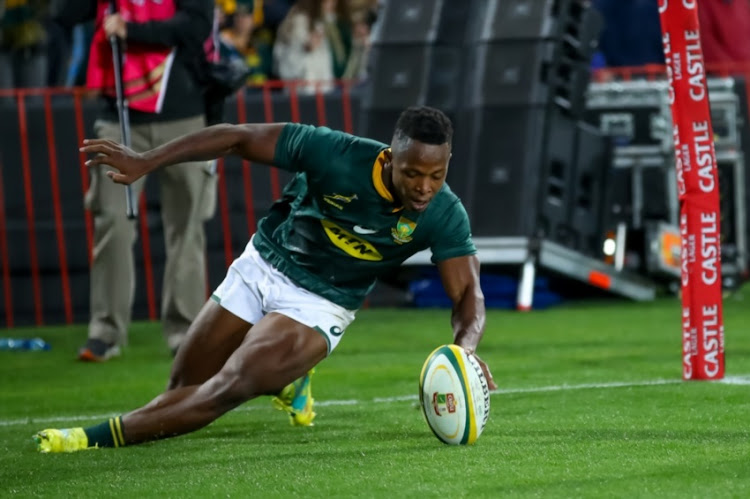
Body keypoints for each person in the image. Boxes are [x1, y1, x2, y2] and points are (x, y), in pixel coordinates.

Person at [33, 106, 497, 453]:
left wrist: (467, 350)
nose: (423, 187)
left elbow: (467, 295)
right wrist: (147, 161)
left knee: (227, 388)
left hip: (319, 305)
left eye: (436, 175)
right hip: (263, 264)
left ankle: (85, 439)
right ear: (389, 156)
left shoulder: (444, 213)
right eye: (412, 172)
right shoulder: (334, 153)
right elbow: (237, 138)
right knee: (183, 386)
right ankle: (288, 379)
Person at [52, 0, 218, 361]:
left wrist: (132, 29)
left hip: (183, 114)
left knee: (187, 227)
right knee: (111, 222)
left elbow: (196, 26)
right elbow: (63, 13)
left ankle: (185, 332)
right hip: (119, 116)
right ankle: (106, 332)